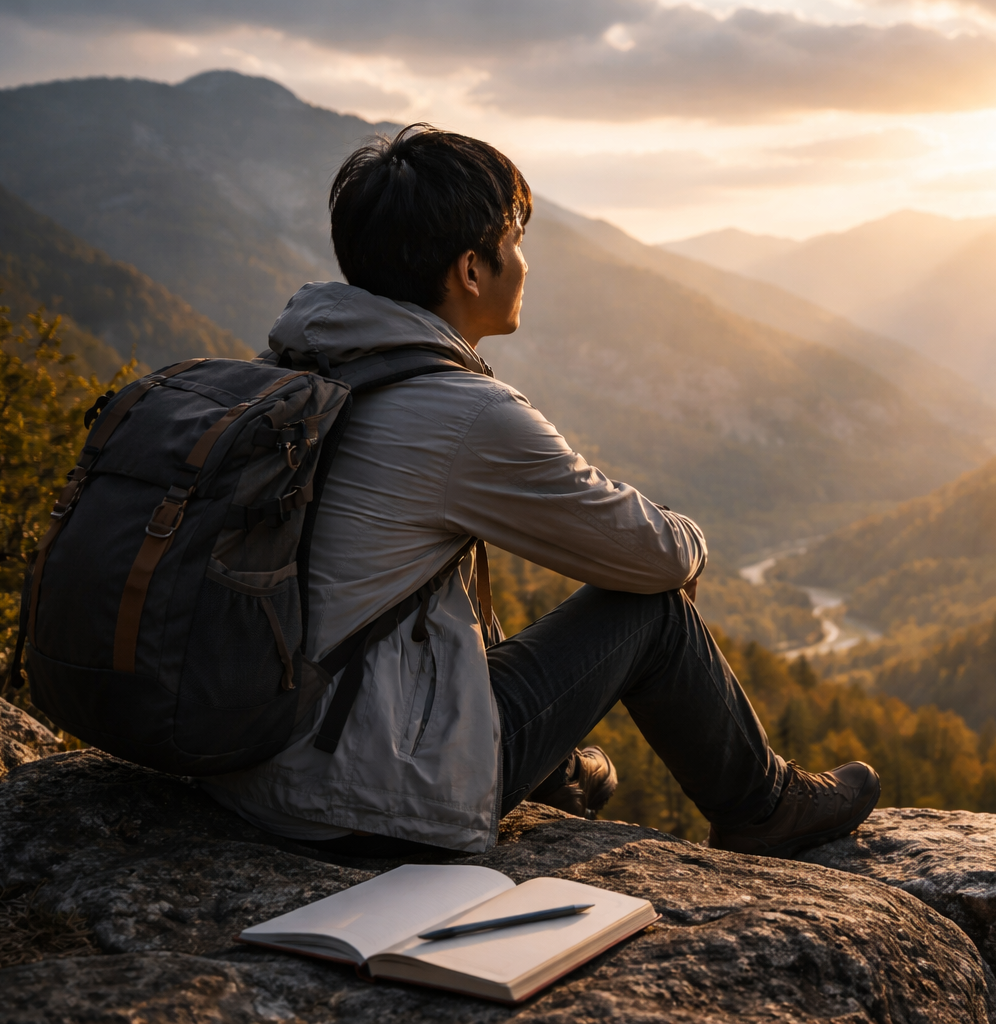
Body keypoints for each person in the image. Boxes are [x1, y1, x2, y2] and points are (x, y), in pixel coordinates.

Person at [198, 125, 880, 859]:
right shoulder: (462, 413)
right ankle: (763, 804)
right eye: (515, 241)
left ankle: (554, 770)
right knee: (650, 613)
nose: (525, 264)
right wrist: (689, 533)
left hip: (246, 763)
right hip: (357, 801)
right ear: (470, 269)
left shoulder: (290, 372)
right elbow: (654, 559)